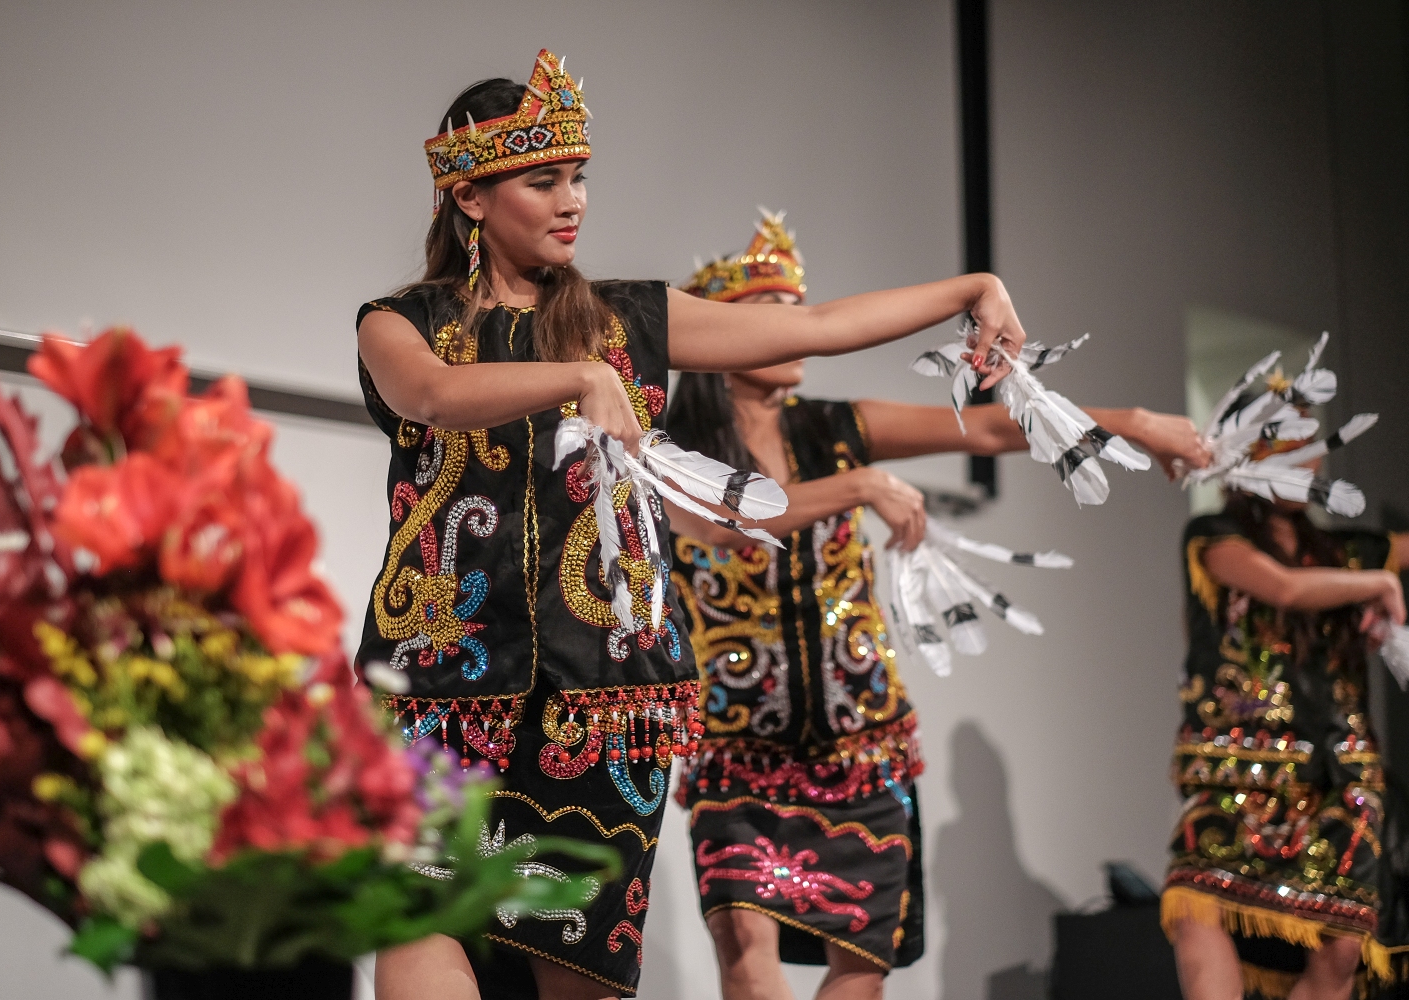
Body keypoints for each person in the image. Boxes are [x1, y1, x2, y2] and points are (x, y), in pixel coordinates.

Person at [357, 52, 1032, 1000]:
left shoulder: (630, 317)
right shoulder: (399, 322)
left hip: (606, 696)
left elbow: (819, 328)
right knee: (422, 917)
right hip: (439, 685)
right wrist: (580, 378)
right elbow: (430, 394)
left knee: (578, 964)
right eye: (543, 181)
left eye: (578, 176)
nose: (572, 201)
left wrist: (972, 288)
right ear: (469, 196)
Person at [666, 210, 1210, 1000]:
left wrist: (1138, 423)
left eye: (798, 310)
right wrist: (859, 486)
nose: (794, 328)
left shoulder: (838, 428)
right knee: (745, 948)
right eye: (769, 314)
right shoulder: (674, 450)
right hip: (738, 751)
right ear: (719, 339)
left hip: (863, 743)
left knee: (862, 965)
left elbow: (988, 434)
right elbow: (719, 521)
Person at [1162, 377, 1409, 1000]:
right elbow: (1284, 588)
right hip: (1235, 776)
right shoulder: (1214, 537)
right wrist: (1378, 585)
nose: (1307, 457)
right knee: (1197, 906)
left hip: (1339, 775)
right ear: (1247, 449)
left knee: (1342, 943)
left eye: (1311, 441)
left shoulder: (1347, 552)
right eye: (1286, 440)